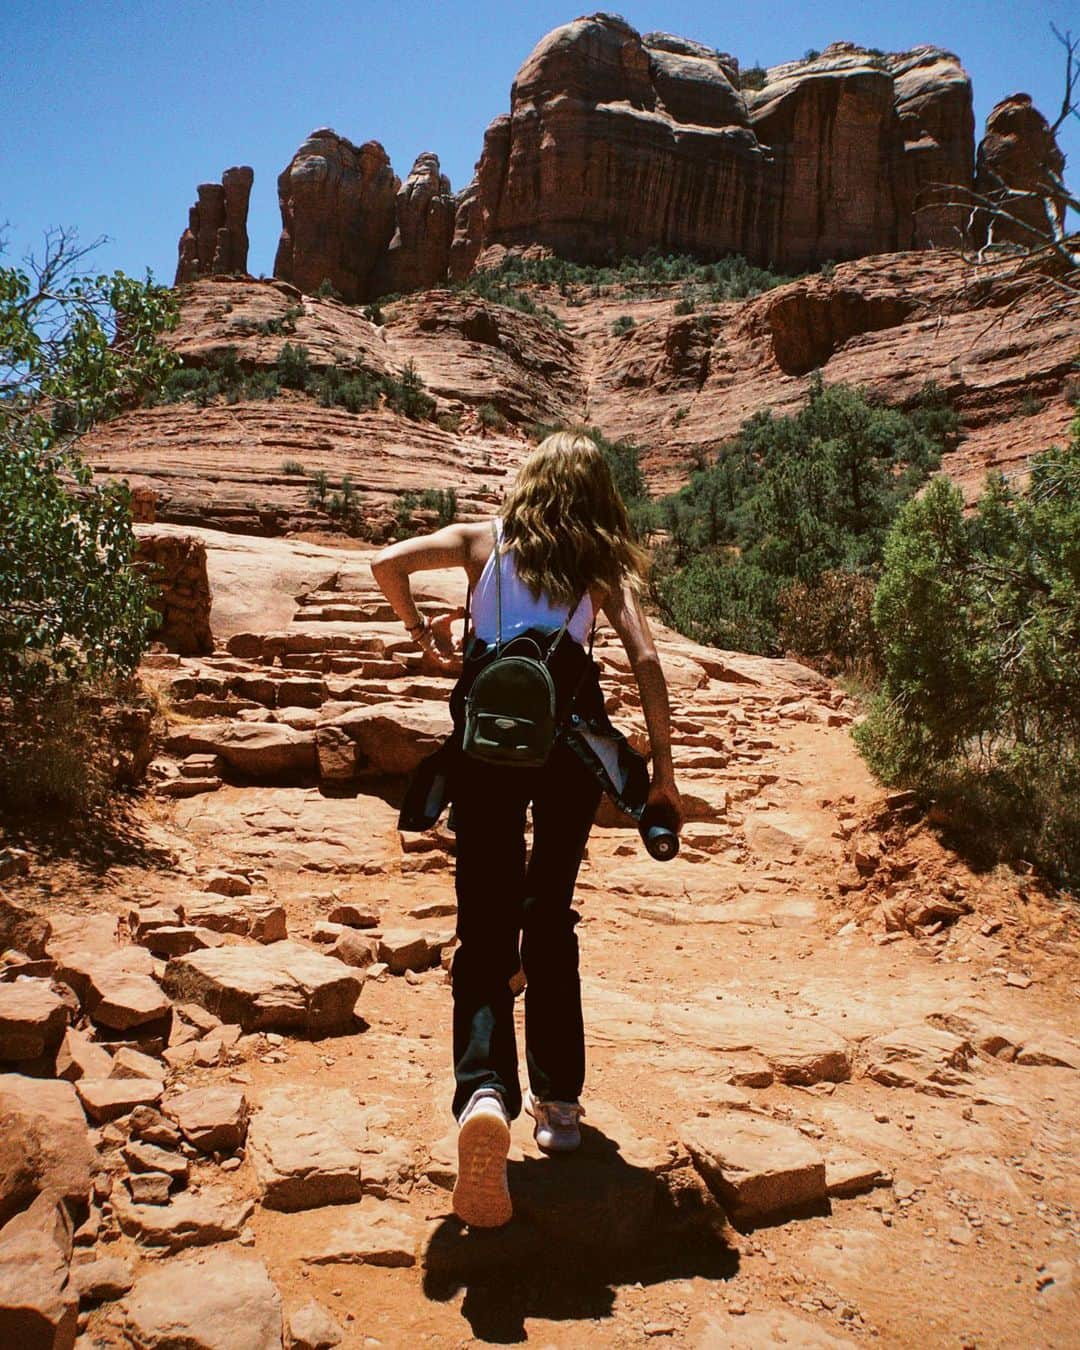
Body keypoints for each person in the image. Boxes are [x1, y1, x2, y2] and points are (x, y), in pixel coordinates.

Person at [370, 428, 682, 1228]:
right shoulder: (599, 564)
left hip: (485, 753)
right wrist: (666, 782)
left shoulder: (482, 539)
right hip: (570, 753)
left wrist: (427, 642)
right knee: (548, 915)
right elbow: (647, 664)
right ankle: (561, 1106)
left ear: (530, 479)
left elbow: (387, 565)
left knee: (483, 922)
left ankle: (482, 1091)